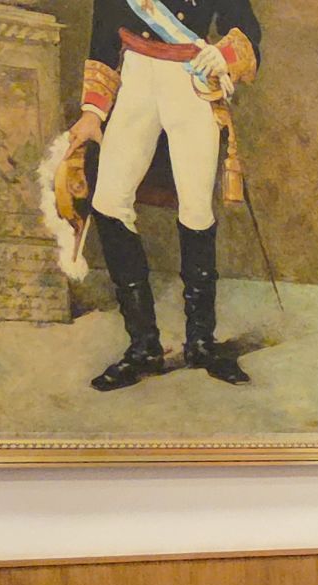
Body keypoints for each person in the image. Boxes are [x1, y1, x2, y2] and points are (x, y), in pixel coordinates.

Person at [69, 0, 260, 391]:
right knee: (108, 202)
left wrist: (221, 55)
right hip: (136, 80)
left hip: (191, 83)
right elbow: (104, 36)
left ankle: (201, 343)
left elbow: (244, 26)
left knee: (196, 209)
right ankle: (144, 347)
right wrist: (93, 111)